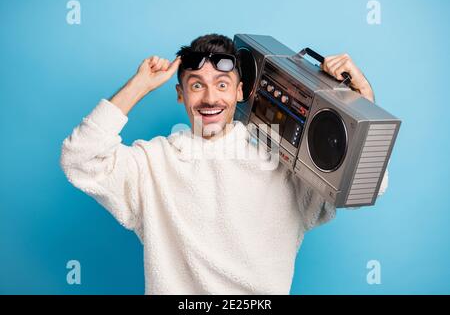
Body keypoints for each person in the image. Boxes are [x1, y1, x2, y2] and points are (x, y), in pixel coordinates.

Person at [60, 34, 387, 294]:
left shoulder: (284, 164)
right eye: (197, 85)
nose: (210, 98)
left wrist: (362, 103)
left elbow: (362, 187)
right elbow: (79, 158)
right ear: (180, 94)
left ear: (240, 91)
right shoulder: (152, 164)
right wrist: (139, 86)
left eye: (221, 84)